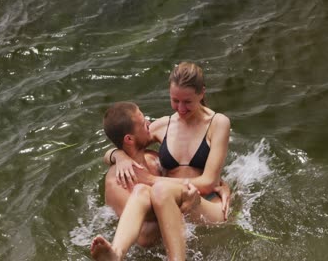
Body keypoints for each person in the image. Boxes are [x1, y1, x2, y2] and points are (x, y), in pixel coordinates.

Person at [91, 102, 230, 261]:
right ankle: (116, 253)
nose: (150, 125)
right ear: (129, 139)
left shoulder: (153, 159)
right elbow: (143, 237)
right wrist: (178, 209)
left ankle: (116, 254)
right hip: (146, 249)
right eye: (144, 124)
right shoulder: (118, 179)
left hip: (180, 229)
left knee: (146, 191)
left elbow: (179, 181)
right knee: (144, 191)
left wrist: (217, 184)